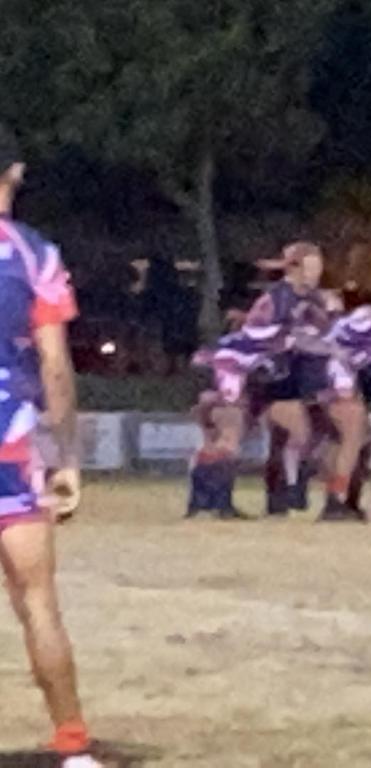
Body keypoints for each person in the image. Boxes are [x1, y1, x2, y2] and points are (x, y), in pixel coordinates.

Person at [0, 126, 102, 767]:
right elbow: (56, 365)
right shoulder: (33, 251)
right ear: (13, 173)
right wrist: (66, 456)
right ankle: (72, 744)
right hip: (9, 441)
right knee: (37, 599)